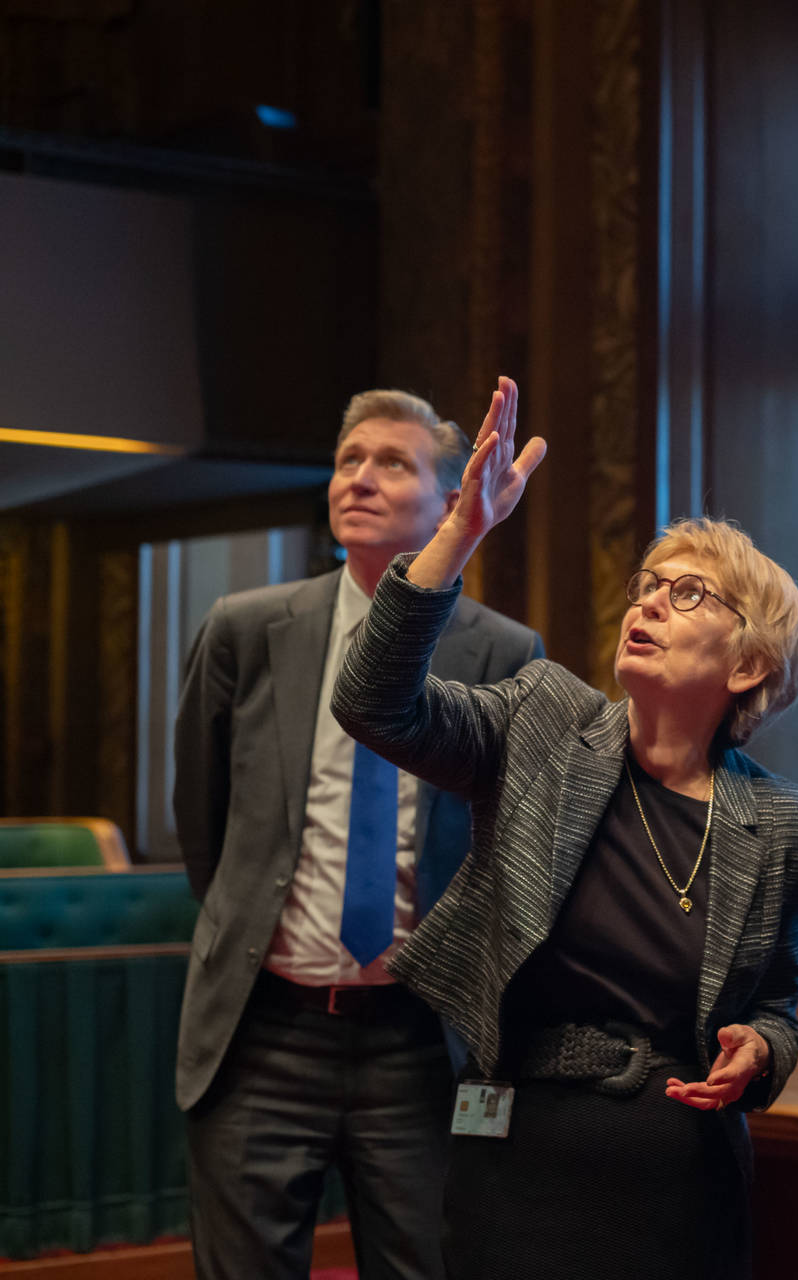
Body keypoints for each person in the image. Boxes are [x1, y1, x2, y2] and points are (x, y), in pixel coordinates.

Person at [330, 376, 798, 1279]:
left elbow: (775, 1006)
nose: (647, 605)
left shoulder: (782, 820)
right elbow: (371, 703)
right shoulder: (544, 719)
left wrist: (762, 1049)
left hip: (684, 1178)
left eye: (687, 595)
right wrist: (460, 531)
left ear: (750, 662)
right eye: (647, 587)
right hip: (521, 1159)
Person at [173, 389, 544, 1280]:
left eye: (394, 463)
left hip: (418, 1043)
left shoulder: (504, 652)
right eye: (350, 459)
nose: (361, 479)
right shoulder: (247, 629)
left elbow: (509, 857)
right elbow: (204, 819)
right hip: (265, 1033)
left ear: (455, 500)